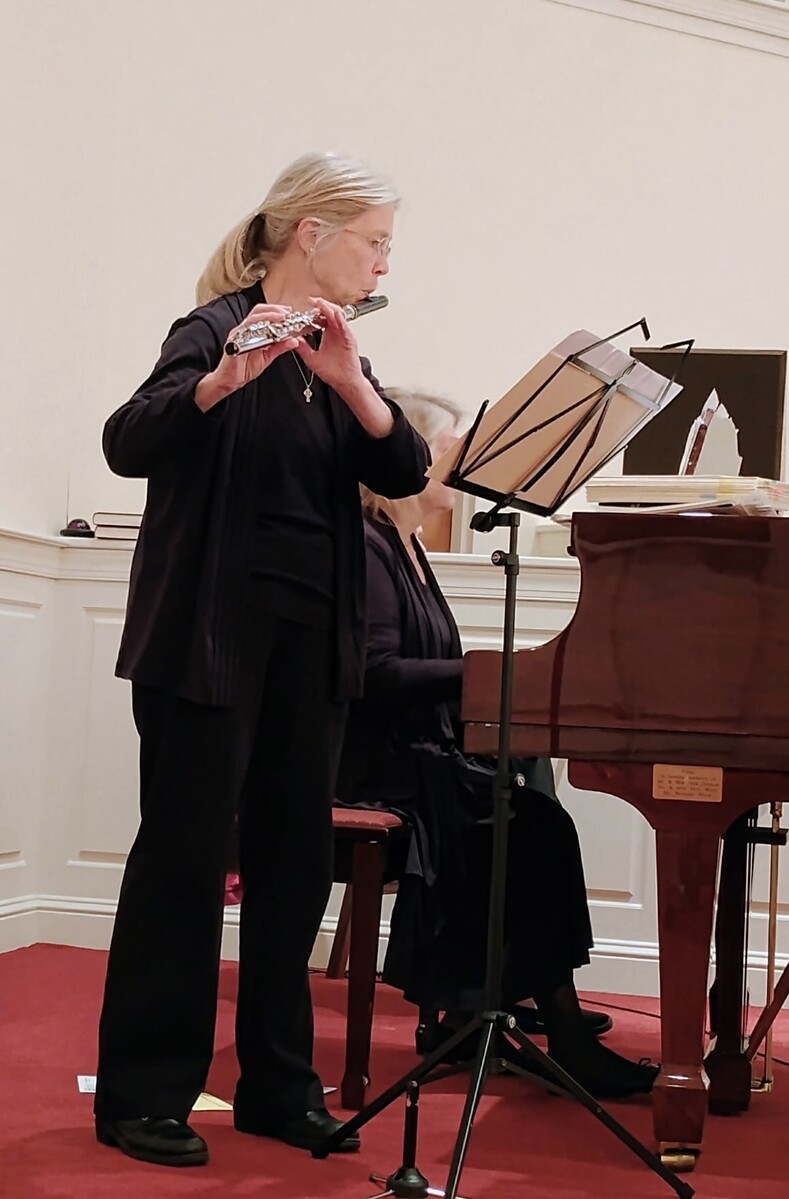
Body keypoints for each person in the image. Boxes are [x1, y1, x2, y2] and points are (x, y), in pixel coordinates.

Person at [94, 152, 431, 1168]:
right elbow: (127, 441)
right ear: (311, 234)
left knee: (292, 864)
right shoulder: (213, 326)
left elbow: (405, 467)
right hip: (209, 639)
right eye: (374, 241)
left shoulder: (338, 350)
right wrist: (218, 382)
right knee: (186, 860)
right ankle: (144, 1093)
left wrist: (352, 384)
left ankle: (278, 1086)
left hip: (309, 648)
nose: (384, 263)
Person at [335, 387, 659, 1100]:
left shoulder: (405, 545)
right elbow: (375, 675)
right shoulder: (367, 545)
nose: (459, 465)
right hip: (374, 765)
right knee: (531, 826)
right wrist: (491, 670)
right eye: (449, 448)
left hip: (414, 752)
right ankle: (552, 1025)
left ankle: (490, 999)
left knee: (527, 804)